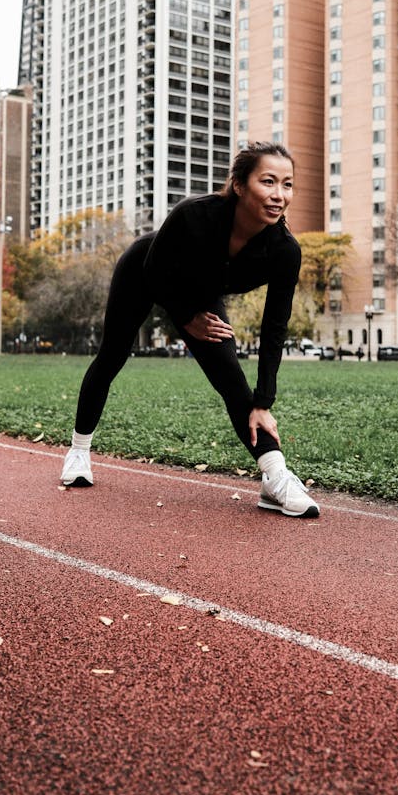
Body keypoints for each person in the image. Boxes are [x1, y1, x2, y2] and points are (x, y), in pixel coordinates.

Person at [60, 142, 319, 519]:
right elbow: (153, 272)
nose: (279, 195)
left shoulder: (283, 250)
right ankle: (79, 451)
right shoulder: (194, 215)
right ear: (239, 185)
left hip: (202, 295)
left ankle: (274, 478)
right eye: (268, 182)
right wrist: (186, 318)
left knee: (232, 381)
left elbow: (274, 328)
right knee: (113, 355)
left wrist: (264, 400)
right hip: (145, 271)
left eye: (287, 184)